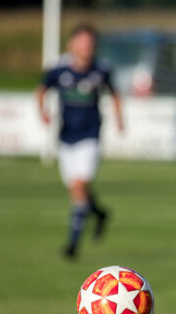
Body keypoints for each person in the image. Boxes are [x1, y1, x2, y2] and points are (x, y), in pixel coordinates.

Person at [35, 24, 123, 259]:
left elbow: (114, 94)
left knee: (79, 187)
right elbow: (41, 89)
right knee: (77, 190)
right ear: (71, 45)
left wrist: (120, 119)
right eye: (82, 42)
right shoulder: (60, 69)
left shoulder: (101, 70)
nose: (86, 47)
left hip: (90, 137)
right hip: (65, 137)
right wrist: (42, 110)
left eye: (90, 43)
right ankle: (99, 213)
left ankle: (72, 245)